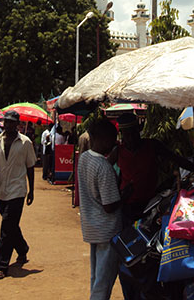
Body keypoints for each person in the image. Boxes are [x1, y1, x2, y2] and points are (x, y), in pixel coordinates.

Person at [110, 113, 193, 299]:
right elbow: (107, 175)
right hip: (127, 210)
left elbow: (176, 159)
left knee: (149, 255)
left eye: (132, 133)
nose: (129, 138)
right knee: (128, 255)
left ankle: (148, 292)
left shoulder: (151, 145)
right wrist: (118, 196)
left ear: (138, 130)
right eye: (125, 134)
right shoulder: (119, 151)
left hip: (149, 209)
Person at [0, 110, 36, 280]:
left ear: (17, 124)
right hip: (1, 190)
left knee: (6, 227)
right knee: (11, 225)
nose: (8, 125)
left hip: (17, 191)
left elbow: (30, 167)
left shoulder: (25, 143)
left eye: (12, 122)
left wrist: (31, 190)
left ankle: (1, 266)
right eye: (6, 122)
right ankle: (22, 248)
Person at [78, 119, 122, 300]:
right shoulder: (103, 167)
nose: (114, 143)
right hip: (108, 229)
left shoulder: (84, 158)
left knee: (96, 277)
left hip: (92, 227)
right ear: (103, 139)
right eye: (112, 139)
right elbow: (109, 205)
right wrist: (124, 194)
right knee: (104, 282)